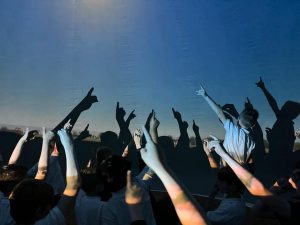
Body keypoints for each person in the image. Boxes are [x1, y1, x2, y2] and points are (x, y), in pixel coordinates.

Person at [208, 137, 300, 225]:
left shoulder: (295, 210)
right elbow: (256, 211)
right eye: (292, 175)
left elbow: (256, 189)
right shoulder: (291, 207)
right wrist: (275, 188)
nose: (291, 179)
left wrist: (223, 153)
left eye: (297, 177)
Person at [9, 128, 80, 225]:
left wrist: (67, 146)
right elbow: (41, 172)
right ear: (38, 211)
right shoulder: (48, 222)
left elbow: (73, 185)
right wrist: (66, 144)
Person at [196, 85, 258, 166]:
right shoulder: (252, 142)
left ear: (238, 118)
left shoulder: (232, 129)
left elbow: (219, 113)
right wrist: (220, 144)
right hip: (240, 174)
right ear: (253, 126)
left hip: (226, 171)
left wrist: (206, 96)